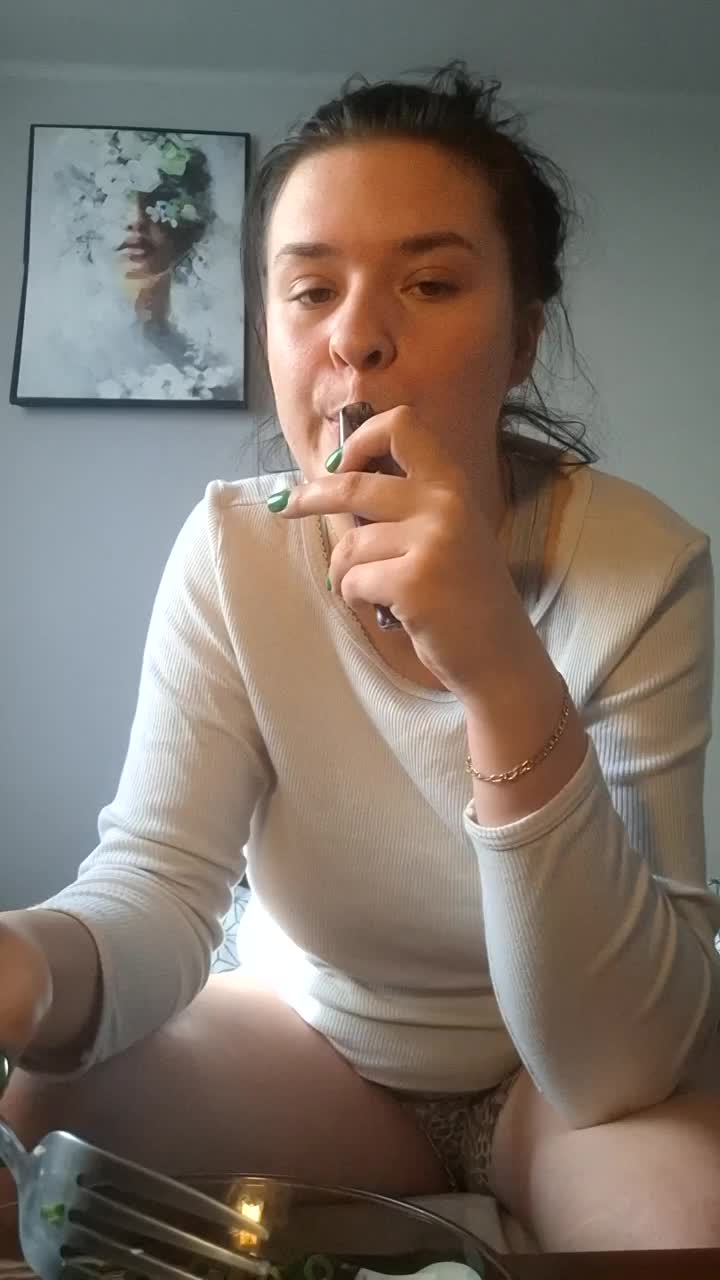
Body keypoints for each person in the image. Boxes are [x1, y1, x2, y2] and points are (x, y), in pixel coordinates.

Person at [2, 64, 720, 1254]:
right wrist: (25, 963)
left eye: (430, 283)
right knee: (45, 1114)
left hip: (564, 1093)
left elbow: (622, 1060)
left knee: (690, 1219)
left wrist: (499, 667)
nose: (355, 337)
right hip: (319, 1049)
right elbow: (160, 885)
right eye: (310, 291)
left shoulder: (645, 567)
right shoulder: (234, 548)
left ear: (523, 336)